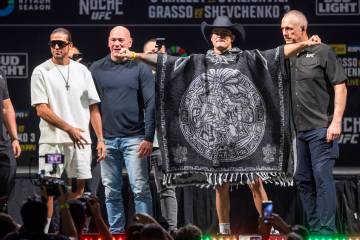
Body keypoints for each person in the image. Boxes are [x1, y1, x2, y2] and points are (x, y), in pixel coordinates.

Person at [120, 16, 321, 235]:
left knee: (256, 183)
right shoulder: (199, 62)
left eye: (225, 33)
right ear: (211, 38)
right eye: (216, 33)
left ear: (232, 37)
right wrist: (133, 54)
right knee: (220, 185)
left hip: (244, 137)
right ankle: (224, 232)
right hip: (216, 138)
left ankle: (270, 226)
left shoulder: (246, 59)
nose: (220, 36)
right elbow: (164, 63)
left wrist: (304, 44)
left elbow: (277, 55)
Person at [30, 28, 106, 231]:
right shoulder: (41, 71)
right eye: (52, 44)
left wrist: (100, 138)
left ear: (70, 45)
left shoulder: (83, 71)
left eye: (60, 44)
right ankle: (45, 231)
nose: (56, 47)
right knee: (49, 189)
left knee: (78, 190)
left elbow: (93, 107)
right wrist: (68, 128)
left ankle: (70, 230)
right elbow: (41, 109)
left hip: (80, 142)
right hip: (53, 143)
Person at [281, 10, 347, 234]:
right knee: (302, 180)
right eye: (282, 29)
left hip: (321, 129)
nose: (285, 33)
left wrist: (336, 122)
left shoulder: (322, 51)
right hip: (296, 133)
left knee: (322, 179)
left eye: (289, 28)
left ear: (303, 29)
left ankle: (326, 232)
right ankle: (316, 228)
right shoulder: (285, 56)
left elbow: (340, 87)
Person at [90, 26, 155, 234]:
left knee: (140, 190)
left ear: (130, 42)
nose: (117, 44)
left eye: (121, 40)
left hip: (135, 140)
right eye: (113, 40)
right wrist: (99, 139)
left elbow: (151, 104)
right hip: (107, 141)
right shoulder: (96, 69)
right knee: (110, 192)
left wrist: (148, 137)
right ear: (108, 42)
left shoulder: (141, 68)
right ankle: (116, 233)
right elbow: (93, 108)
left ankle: (145, 232)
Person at [143, 38, 178, 232]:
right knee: (139, 188)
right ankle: (142, 230)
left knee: (165, 189)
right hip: (136, 141)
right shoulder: (139, 77)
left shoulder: (174, 76)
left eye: (159, 52)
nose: (155, 56)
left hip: (161, 143)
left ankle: (170, 231)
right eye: (151, 53)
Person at [0, 69, 21, 213]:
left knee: (9, 173)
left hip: (2, 142)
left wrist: (14, 138)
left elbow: (6, 106)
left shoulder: (0, 72)